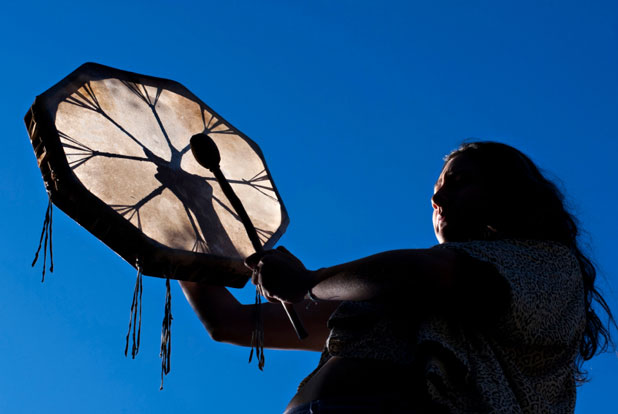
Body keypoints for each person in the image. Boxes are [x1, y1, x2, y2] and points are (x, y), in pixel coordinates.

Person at [179, 141, 614, 413]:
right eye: (438, 186)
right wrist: (189, 219)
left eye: (459, 182)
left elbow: (431, 272)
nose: (436, 196)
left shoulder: (547, 265)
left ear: (510, 196)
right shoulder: (395, 304)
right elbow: (230, 322)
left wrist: (308, 282)